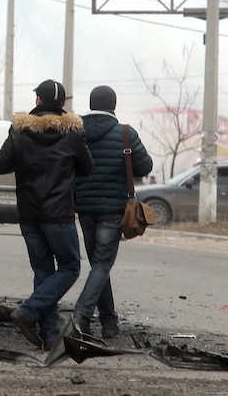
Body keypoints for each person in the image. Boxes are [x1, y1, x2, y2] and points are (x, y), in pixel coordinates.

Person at [0, 79, 94, 350]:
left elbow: (0, 165)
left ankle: (50, 336)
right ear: (62, 105)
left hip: (29, 213)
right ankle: (29, 311)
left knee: (43, 271)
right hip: (59, 213)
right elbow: (87, 167)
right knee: (71, 267)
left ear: (37, 101)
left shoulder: (19, 130)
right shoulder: (73, 133)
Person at [73, 85, 152, 338]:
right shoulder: (125, 134)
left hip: (84, 208)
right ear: (113, 106)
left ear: (91, 104)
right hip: (113, 209)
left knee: (99, 265)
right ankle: (81, 316)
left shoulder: (76, 133)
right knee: (102, 265)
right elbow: (145, 166)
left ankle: (109, 322)